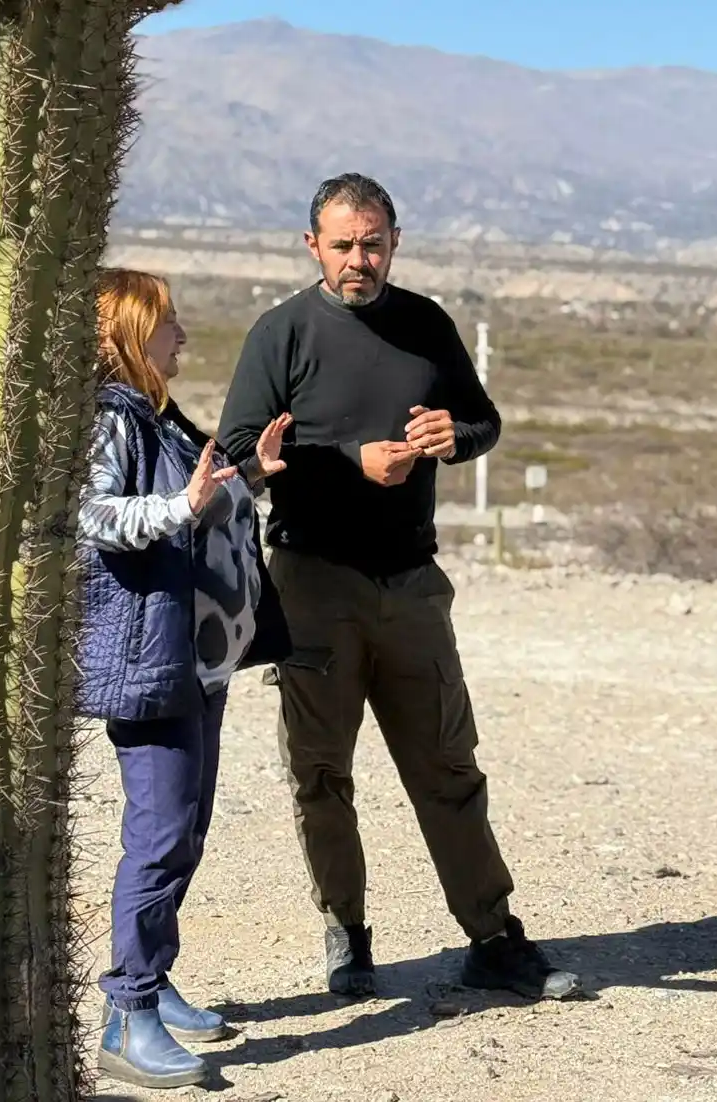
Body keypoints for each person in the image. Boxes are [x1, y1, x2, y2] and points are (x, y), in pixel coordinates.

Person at [216, 173, 580, 1002]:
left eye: (373, 242)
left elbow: (483, 420)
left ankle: (492, 935)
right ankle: (346, 935)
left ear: (395, 241)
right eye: (343, 244)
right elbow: (241, 452)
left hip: (412, 583)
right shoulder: (281, 334)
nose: (359, 259)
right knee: (320, 771)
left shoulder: (426, 325)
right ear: (313, 245)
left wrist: (456, 437)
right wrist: (349, 459)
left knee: (448, 764)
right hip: (313, 580)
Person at [77, 268, 292, 1089]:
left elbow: (204, 495)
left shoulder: (155, 416)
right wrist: (178, 508)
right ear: (132, 332)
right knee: (161, 832)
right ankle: (126, 1015)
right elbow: (93, 517)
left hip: (196, 658)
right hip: (151, 657)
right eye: (169, 322)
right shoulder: (110, 420)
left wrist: (255, 475)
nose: (183, 335)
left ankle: (153, 982)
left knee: (186, 829)